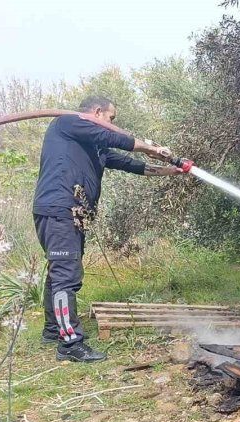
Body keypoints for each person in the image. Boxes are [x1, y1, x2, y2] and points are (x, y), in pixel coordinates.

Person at [33, 96, 183, 362]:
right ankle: (69, 345)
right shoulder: (68, 122)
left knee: (59, 272)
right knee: (66, 276)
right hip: (59, 211)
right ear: (98, 112)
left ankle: (52, 330)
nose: (113, 125)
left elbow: (130, 164)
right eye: (112, 119)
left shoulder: (94, 147)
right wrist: (151, 147)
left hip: (71, 215)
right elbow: (117, 139)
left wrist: (171, 171)